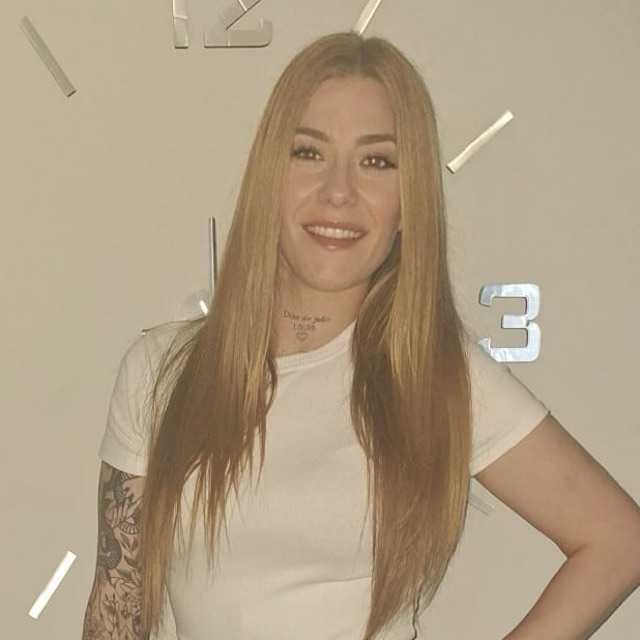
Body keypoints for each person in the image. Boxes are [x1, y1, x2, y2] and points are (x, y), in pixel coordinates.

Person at [84, 31, 640, 640]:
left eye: (376, 162)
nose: (339, 192)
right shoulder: (161, 371)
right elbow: (117, 608)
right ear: (270, 178)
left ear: (408, 201)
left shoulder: (436, 376)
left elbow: (618, 540)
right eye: (308, 153)